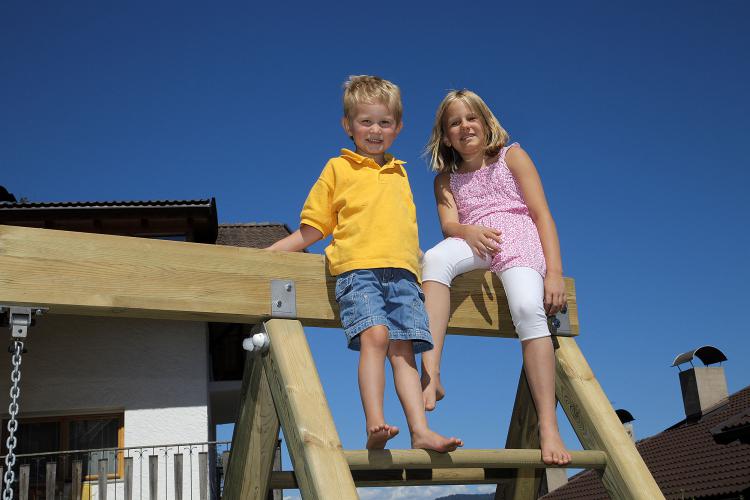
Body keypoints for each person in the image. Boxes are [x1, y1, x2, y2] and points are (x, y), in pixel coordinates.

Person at [267, 75, 462, 452]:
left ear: (398, 127)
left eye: (384, 123)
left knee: (404, 349)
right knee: (376, 336)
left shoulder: (399, 172)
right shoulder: (337, 169)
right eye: (366, 121)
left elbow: (400, 228)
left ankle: (420, 431)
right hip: (359, 271)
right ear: (348, 126)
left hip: (404, 275)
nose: (375, 130)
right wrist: (271, 253)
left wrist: (419, 261)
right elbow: (313, 228)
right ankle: (375, 422)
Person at [420, 89, 571, 465]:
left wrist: (554, 272)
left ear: (486, 122)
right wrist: (466, 231)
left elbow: (542, 215)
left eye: (471, 118)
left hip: (518, 239)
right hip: (474, 240)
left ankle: (548, 427)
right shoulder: (445, 179)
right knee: (435, 260)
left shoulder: (512, 156)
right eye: (454, 123)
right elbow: (448, 224)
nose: (464, 126)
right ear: (445, 135)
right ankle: (432, 372)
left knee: (526, 308)